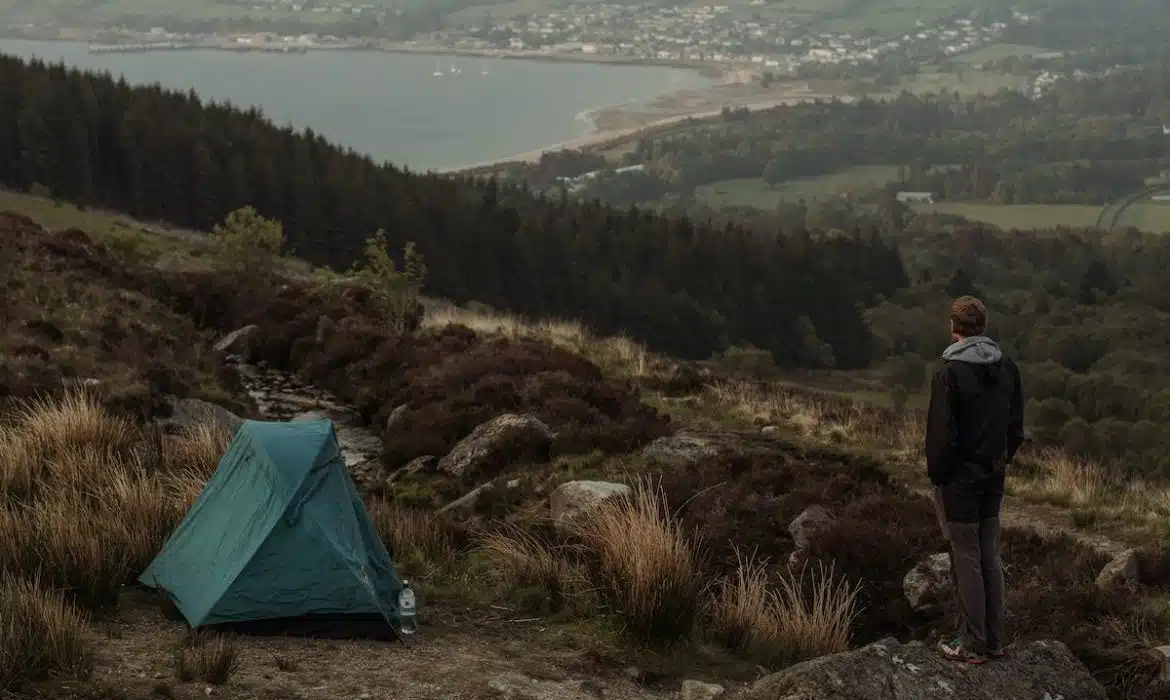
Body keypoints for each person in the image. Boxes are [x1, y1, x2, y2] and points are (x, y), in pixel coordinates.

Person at [925, 295, 1024, 665]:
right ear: (983, 326)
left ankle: (972, 643)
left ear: (954, 328)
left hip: (959, 482)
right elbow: (1015, 427)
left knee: (966, 558)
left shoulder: (948, 372)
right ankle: (995, 640)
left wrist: (940, 476)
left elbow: (941, 436)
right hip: (993, 476)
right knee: (989, 555)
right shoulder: (1008, 366)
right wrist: (1000, 461)